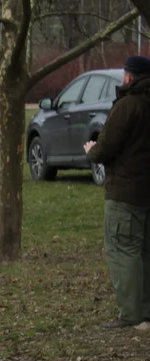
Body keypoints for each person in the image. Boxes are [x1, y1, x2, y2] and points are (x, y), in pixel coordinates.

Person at [84, 55, 150, 329]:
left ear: (129, 77)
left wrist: (91, 150)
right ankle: (145, 309)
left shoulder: (127, 106)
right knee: (144, 252)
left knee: (123, 250)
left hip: (124, 190)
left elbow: (105, 148)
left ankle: (131, 314)